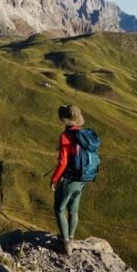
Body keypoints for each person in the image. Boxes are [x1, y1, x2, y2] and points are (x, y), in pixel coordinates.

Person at [50, 104, 87, 255]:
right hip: (82, 179)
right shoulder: (83, 135)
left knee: (59, 209)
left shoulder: (65, 137)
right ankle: (70, 238)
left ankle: (65, 244)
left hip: (69, 179)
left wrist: (54, 179)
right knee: (73, 210)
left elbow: (63, 162)